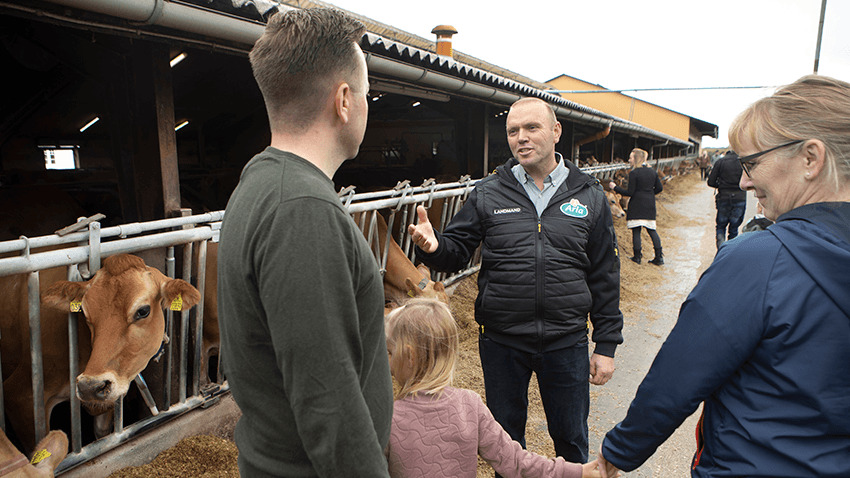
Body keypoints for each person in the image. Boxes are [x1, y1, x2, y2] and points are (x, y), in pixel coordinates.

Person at [597, 74, 850, 478]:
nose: (745, 180)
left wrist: (616, 456)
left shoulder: (762, 260)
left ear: (811, 159)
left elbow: (678, 379)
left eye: (752, 163)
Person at [217, 9, 393, 477]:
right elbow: (327, 399)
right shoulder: (301, 207)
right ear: (344, 101)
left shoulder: (259, 184)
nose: (367, 105)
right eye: (368, 94)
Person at [408, 97, 624, 467]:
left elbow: (605, 273)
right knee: (505, 442)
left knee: (571, 437)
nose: (520, 138)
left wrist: (606, 344)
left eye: (531, 128)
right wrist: (433, 246)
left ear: (556, 132)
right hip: (502, 341)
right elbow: (456, 252)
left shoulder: (588, 194)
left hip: (565, 339)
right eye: (512, 131)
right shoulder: (489, 192)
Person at [385, 299, 605, 478]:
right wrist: (576, 471)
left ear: (410, 356)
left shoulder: (386, 417)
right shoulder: (469, 404)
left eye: (389, 352)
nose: (387, 361)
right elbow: (516, 462)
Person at [608, 148, 664, 265]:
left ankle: (637, 257)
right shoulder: (652, 172)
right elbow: (659, 188)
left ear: (636, 159)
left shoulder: (634, 173)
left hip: (637, 204)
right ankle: (659, 257)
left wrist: (615, 188)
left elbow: (630, 192)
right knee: (652, 230)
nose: (629, 160)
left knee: (636, 231)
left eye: (631, 158)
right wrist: (649, 194)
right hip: (649, 204)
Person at [707, 150, 746, 248]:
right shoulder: (744, 162)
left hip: (724, 197)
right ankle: (730, 253)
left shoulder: (720, 162)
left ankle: (721, 251)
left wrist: (721, 186)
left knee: (721, 226)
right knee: (734, 228)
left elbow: (711, 182)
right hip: (739, 197)